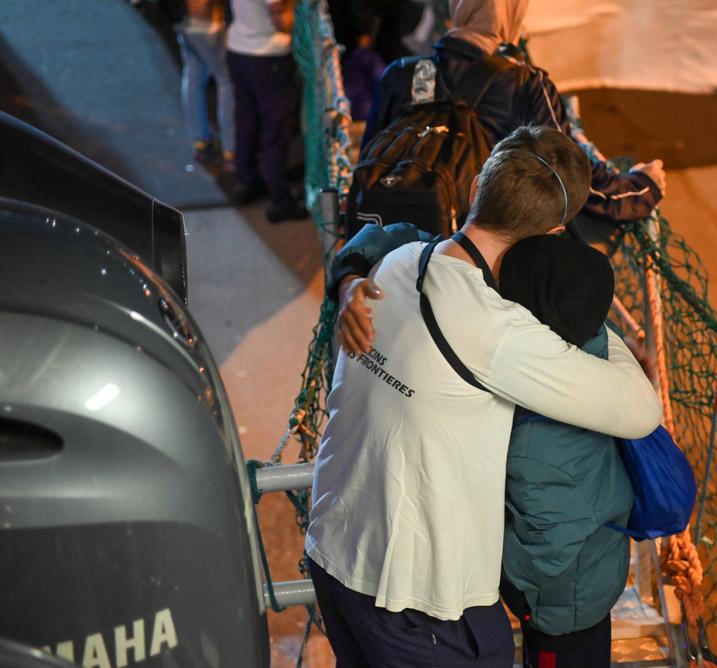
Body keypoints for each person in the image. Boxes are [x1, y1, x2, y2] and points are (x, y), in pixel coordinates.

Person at [306, 125, 661, 667]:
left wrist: (347, 279)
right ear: (555, 231)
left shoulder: (395, 266)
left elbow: (376, 243)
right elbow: (641, 411)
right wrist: (593, 327)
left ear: (475, 188)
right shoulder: (500, 333)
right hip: (413, 601)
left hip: (335, 552)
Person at [361, 0, 668, 229]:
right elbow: (572, 179)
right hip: (470, 255)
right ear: (512, 12)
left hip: (392, 249)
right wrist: (642, 187)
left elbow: (369, 165)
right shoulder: (525, 83)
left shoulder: (400, 73)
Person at [496, 234, 635, 668]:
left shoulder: (539, 447)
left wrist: (504, 577)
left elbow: (546, 549)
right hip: (593, 575)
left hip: (562, 610)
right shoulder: (595, 346)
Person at [226, 0, 308, 222]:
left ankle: (247, 182)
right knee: (275, 129)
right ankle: (279, 199)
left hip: (238, 48)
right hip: (268, 54)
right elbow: (280, 16)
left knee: (246, 122)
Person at [174, 0, 236, 170]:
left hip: (182, 19)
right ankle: (231, 149)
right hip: (206, 23)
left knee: (193, 74)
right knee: (226, 81)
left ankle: (200, 141)